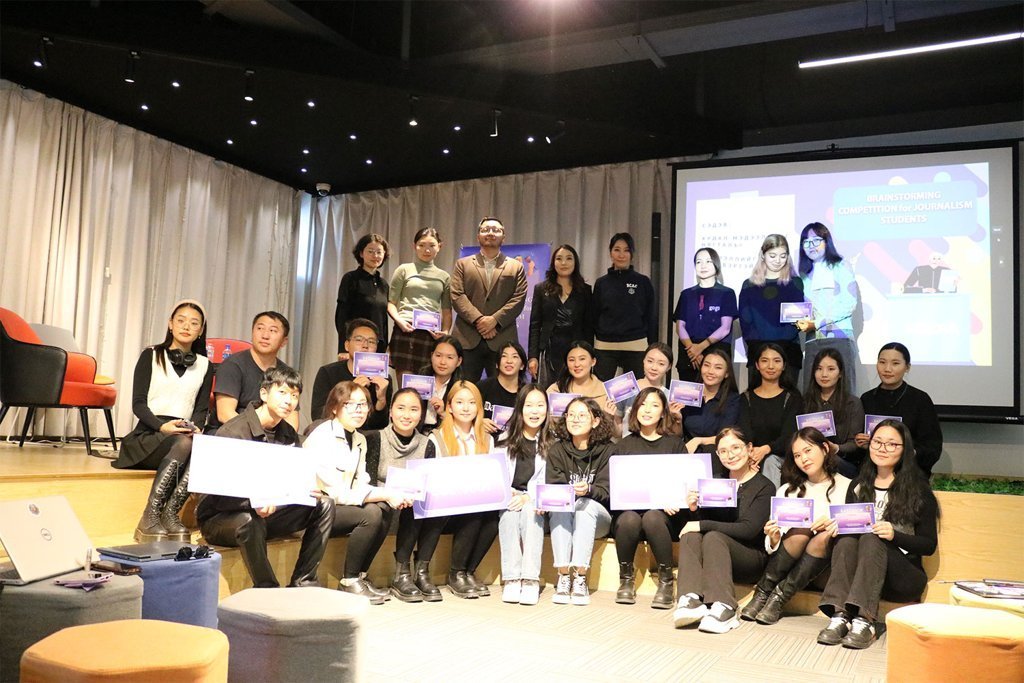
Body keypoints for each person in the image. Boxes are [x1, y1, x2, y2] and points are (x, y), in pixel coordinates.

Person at [197, 367, 334, 588]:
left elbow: (291, 481)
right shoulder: (233, 432)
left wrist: (306, 490)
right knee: (249, 520)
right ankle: (267, 587)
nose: (289, 401)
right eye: (282, 392)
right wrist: (253, 501)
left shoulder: (288, 434)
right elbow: (214, 496)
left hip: (268, 512)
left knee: (325, 504)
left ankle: (304, 580)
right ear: (263, 393)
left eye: (294, 395)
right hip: (222, 519)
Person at [817, 419, 939, 649]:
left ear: (905, 449)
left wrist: (894, 535)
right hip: (863, 577)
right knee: (846, 537)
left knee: (873, 536)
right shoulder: (858, 485)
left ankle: (865, 620)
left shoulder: (918, 489)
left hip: (903, 576)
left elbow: (928, 545)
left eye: (892, 444)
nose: (883, 449)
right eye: (877, 442)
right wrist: (839, 527)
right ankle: (840, 615)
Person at [114, 300, 215, 542]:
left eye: (194, 323)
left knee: (199, 446)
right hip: (149, 434)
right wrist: (161, 426)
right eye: (181, 320)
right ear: (170, 324)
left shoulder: (205, 365)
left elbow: (201, 409)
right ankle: (150, 516)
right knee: (184, 444)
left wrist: (196, 428)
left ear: (201, 330)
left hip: (182, 433)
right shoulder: (151, 355)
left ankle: (170, 514)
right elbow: (138, 404)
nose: (186, 326)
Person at [304, 381, 412, 605]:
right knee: (371, 513)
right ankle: (349, 580)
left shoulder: (359, 439)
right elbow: (336, 492)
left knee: (384, 508)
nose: (359, 410)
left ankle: (360, 575)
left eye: (363, 404)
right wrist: (385, 494)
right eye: (350, 404)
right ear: (335, 407)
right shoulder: (322, 436)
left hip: (342, 506)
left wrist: (389, 494)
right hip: (317, 509)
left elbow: (361, 483)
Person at [741, 427, 852, 625]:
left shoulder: (848, 487)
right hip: (787, 565)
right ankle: (764, 592)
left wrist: (834, 524)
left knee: (824, 536)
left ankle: (778, 597)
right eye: (797, 455)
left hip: (826, 569)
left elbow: (855, 533)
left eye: (808, 450)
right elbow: (772, 546)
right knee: (800, 531)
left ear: (825, 448)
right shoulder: (787, 490)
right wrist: (773, 537)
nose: (804, 459)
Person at [672, 427, 773, 633]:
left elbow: (748, 530)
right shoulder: (715, 482)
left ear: (749, 448)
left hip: (749, 557)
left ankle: (725, 607)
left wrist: (702, 525)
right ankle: (690, 599)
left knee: (713, 537)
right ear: (717, 454)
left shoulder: (764, 487)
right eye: (723, 451)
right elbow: (702, 524)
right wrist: (694, 510)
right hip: (714, 554)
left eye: (736, 448)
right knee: (691, 535)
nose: (730, 455)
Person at [363, 388, 445, 602]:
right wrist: (392, 494)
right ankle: (401, 574)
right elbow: (369, 481)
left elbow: (426, 483)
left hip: (411, 501)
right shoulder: (375, 438)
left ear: (421, 414)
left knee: (429, 504)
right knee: (408, 504)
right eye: (401, 408)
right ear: (391, 411)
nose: (407, 415)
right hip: (382, 500)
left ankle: (421, 572)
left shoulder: (427, 444)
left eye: (414, 409)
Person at [609, 388, 687, 609]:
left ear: (663, 412)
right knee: (629, 519)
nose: (647, 410)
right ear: (635, 409)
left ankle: (666, 582)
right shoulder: (623, 446)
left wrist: (673, 498)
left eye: (654, 405)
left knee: (653, 517)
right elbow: (615, 488)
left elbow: (686, 484)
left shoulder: (675, 445)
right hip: (630, 514)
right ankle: (626, 579)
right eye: (642, 404)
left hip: (664, 517)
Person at [427, 381, 497, 598]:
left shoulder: (487, 439)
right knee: (473, 510)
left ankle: (468, 571)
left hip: (474, 502)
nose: (466, 408)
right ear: (449, 407)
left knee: (495, 515)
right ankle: (456, 573)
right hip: (444, 506)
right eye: (459, 402)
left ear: (479, 407)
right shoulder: (437, 437)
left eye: (471, 402)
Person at [546, 397, 615, 605]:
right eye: (571, 415)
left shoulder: (608, 450)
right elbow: (553, 490)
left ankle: (580, 577)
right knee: (560, 508)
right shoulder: (557, 450)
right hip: (567, 515)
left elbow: (608, 492)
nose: (575, 419)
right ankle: (563, 575)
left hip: (598, 518)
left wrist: (589, 490)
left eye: (582, 415)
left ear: (595, 421)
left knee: (585, 507)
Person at [450, 217, 528, 382]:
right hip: (467, 338)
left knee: (503, 388)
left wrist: (494, 321)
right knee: (463, 388)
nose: (490, 233)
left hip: (502, 338)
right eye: (485, 230)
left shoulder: (516, 266)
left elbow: (519, 298)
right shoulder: (463, 264)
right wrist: (479, 320)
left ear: (503, 237)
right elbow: (457, 295)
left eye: (496, 230)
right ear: (478, 236)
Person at [496, 384, 550, 606]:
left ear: (547, 409)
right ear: (520, 408)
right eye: (529, 405)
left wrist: (529, 497)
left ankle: (530, 579)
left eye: (540, 405)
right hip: (510, 496)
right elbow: (496, 474)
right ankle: (511, 578)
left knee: (529, 511)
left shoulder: (553, 442)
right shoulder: (504, 439)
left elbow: (552, 481)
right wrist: (506, 490)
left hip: (537, 500)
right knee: (509, 512)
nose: (535, 411)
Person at [855, 343, 943, 476]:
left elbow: (932, 446)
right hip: (872, 471)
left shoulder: (920, 399)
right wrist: (862, 443)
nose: (887, 369)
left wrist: (906, 452)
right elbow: (861, 447)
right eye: (882, 362)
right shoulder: (867, 398)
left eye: (895, 363)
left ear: (907, 367)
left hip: (909, 472)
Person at [795, 222, 860, 393]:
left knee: (844, 391)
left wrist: (817, 323)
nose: (811, 246)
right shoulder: (804, 275)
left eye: (816, 240)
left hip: (840, 336)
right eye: (806, 242)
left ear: (826, 241)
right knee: (811, 392)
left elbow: (849, 304)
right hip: (812, 339)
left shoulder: (841, 266)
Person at [210, 311, 298, 431]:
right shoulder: (232, 365)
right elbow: (225, 414)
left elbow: (292, 422)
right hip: (231, 433)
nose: (265, 335)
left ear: (284, 341)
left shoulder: (286, 374)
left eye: (273, 331)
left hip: (270, 436)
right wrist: (259, 434)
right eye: (260, 328)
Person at [738, 234, 804, 389]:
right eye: (772, 256)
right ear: (763, 255)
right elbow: (746, 324)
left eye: (783, 256)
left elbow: (796, 322)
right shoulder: (749, 285)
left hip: (788, 354)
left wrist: (777, 352)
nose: (778, 260)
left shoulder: (795, 283)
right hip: (758, 354)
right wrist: (765, 353)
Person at [387, 227, 452, 381]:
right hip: (406, 329)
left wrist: (445, 332)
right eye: (421, 245)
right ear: (414, 246)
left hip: (430, 333)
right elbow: (391, 303)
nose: (426, 250)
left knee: (425, 382)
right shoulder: (403, 270)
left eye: (432, 245)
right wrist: (400, 321)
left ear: (439, 247)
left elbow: (447, 310)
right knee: (406, 383)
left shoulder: (444, 276)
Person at [738, 343, 804, 488]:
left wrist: (767, 448)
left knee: (770, 461)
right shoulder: (745, 398)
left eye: (776, 361)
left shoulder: (793, 398)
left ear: (784, 365)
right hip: (752, 455)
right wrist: (753, 453)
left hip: (782, 458)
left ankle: (770, 501)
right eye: (764, 361)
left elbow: (790, 436)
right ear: (757, 365)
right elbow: (744, 433)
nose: (771, 366)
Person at [592, 233, 657, 381]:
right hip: (605, 346)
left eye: (626, 250)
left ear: (632, 254)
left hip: (636, 345)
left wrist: (652, 347)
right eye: (617, 250)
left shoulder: (643, 282)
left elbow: (651, 317)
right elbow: (594, 315)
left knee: (636, 391)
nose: (621, 255)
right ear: (610, 253)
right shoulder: (601, 283)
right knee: (600, 388)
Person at [527, 244, 593, 387]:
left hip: (576, 351)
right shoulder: (541, 289)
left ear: (575, 263)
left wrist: (589, 355)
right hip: (549, 351)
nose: (564, 263)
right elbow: (535, 326)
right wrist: (532, 357)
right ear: (553, 263)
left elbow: (588, 326)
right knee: (547, 392)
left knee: (574, 390)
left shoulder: (585, 290)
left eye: (569, 258)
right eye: (559, 258)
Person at [310, 318, 391, 430]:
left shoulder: (383, 379)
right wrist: (350, 392)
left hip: (368, 436)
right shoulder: (328, 372)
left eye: (371, 342)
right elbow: (318, 415)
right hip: (334, 432)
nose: (365, 345)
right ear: (347, 345)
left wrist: (381, 401)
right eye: (359, 340)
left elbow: (380, 426)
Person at [673, 247, 738, 383]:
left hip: (716, 350)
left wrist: (700, 347)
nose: (703, 266)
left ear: (716, 264)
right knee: (688, 393)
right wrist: (692, 349)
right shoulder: (686, 294)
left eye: (708, 261)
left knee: (716, 393)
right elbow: (680, 326)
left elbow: (725, 328)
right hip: (689, 352)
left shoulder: (727, 293)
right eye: (698, 262)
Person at [803, 348, 864, 478]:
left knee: (828, 458)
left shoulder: (852, 403)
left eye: (831, 369)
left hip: (843, 463)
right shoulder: (804, 402)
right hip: (808, 459)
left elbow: (855, 444)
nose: (824, 374)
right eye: (819, 369)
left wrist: (836, 448)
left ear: (840, 373)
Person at [679, 348, 741, 472]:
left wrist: (699, 440)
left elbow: (726, 435)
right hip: (689, 450)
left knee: (711, 450)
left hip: (717, 454)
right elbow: (679, 434)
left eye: (718, 368)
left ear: (726, 374)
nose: (710, 371)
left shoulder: (732, 399)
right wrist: (676, 416)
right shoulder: (688, 393)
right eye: (707, 365)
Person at [335, 233, 390, 356]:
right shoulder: (350, 278)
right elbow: (342, 315)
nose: (375, 256)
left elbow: (383, 320)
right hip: (356, 343)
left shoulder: (384, 284)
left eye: (379, 252)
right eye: (370, 251)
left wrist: (385, 348)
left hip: (377, 345)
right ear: (361, 253)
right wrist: (343, 347)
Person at [547, 341, 616, 416]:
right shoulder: (555, 390)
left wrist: (607, 417)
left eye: (582, 359)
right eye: (571, 360)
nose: (577, 364)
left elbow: (617, 421)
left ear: (593, 361)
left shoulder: (606, 392)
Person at [478, 340, 526, 434]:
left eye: (515, 357)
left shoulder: (527, 393)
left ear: (522, 366)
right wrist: (479, 422)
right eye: (504, 356)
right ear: (497, 364)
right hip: (485, 439)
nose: (509, 361)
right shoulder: (482, 387)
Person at [420, 335, 464, 434]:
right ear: (431, 356)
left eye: (449, 357)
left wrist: (443, 413)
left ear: (459, 361)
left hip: (445, 434)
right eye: (438, 355)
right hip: (416, 433)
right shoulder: (418, 380)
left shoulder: (461, 389)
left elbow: (463, 425)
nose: (443, 362)